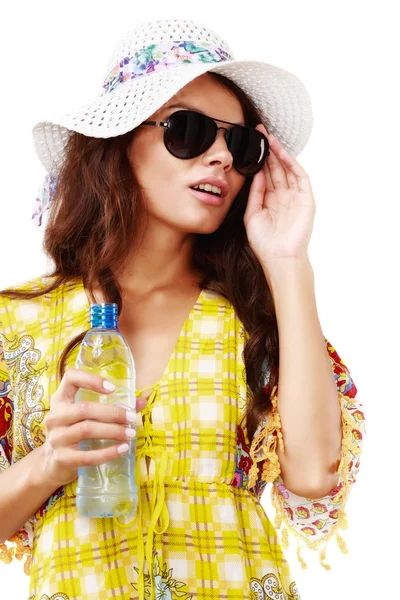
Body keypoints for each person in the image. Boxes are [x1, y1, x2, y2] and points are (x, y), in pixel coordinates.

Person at [0, 17, 366, 600]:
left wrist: (289, 260)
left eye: (241, 143)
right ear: (119, 141)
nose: (221, 155)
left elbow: (315, 475)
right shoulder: (16, 323)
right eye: (190, 131)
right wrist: (50, 464)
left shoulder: (256, 319)